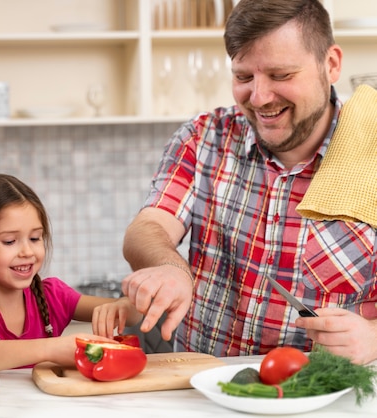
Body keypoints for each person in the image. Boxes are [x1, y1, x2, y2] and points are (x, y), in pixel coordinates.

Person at [95, 0, 377, 365]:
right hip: (200, 388)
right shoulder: (204, 137)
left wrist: (372, 337)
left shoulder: (370, 150)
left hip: (325, 396)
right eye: (244, 77)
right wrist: (170, 267)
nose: (258, 98)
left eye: (280, 75)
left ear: (332, 64)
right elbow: (147, 228)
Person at [0, 174, 139, 371]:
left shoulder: (52, 295)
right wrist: (51, 349)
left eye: (35, 238)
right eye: (9, 241)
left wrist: (124, 305)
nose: (27, 252)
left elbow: (132, 317)